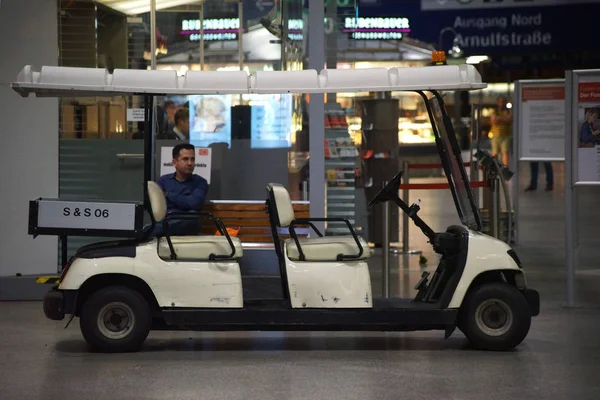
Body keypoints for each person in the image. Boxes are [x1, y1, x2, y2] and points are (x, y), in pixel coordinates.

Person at [152, 143, 209, 237]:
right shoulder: (163, 181)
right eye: (185, 159)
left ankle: (158, 230)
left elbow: (195, 204)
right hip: (168, 219)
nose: (190, 163)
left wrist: (168, 195)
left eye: (192, 159)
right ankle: (161, 228)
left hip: (187, 224)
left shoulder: (200, 182)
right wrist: (185, 200)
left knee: (193, 216)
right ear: (174, 162)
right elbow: (158, 207)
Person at [490, 95, 513, 167]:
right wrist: (504, 119)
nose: (501, 103)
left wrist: (499, 119)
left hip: (506, 135)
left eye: (503, 102)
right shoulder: (494, 111)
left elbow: (509, 120)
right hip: (495, 135)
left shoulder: (509, 111)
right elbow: (494, 121)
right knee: (494, 153)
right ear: (497, 102)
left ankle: (505, 168)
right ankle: (495, 167)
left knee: (505, 152)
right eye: (500, 102)